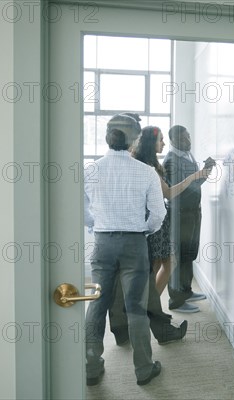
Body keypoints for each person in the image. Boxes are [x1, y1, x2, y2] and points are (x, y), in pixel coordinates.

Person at [109, 125, 212, 343]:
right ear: (150, 143)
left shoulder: (140, 163)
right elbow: (169, 193)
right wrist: (193, 177)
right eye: (161, 140)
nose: (164, 144)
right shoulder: (148, 167)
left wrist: (195, 177)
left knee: (157, 267)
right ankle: (149, 311)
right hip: (152, 225)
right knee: (166, 263)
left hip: (147, 224)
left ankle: (147, 311)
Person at [84, 114, 164, 386]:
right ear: (135, 139)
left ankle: (91, 366)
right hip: (134, 243)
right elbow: (158, 213)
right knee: (136, 308)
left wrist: (96, 224)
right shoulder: (146, 172)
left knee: (96, 305)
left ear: (108, 136)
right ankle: (143, 369)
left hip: (103, 242)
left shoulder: (90, 170)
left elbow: (81, 208)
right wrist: (145, 230)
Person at [164, 125, 215, 313]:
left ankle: (186, 291)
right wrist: (200, 174)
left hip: (193, 212)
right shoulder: (171, 160)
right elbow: (178, 190)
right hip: (180, 214)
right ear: (173, 140)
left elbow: (195, 183)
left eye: (189, 137)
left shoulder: (188, 155)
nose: (188, 141)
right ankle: (176, 301)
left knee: (189, 254)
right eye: (184, 138)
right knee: (178, 256)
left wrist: (206, 170)